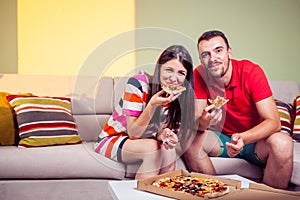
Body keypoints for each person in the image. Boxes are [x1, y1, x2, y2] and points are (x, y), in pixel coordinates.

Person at [183, 30, 293, 189]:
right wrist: (205, 120)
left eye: (218, 51)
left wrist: (242, 138)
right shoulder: (199, 75)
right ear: (201, 59)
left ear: (229, 52)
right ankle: (215, 192)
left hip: (254, 142)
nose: (213, 59)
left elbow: (274, 122)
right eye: (206, 54)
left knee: (283, 142)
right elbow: (197, 124)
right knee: (188, 137)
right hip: (221, 141)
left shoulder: (251, 72)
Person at [95, 45, 195, 179]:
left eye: (181, 73)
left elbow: (159, 132)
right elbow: (134, 133)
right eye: (169, 70)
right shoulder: (138, 83)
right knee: (152, 148)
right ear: (159, 69)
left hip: (145, 140)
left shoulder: (180, 95)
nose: (173, 78)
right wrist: (152, 104)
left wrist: (164, 135)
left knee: (169, 151)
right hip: (113, 139)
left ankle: (164, 194)